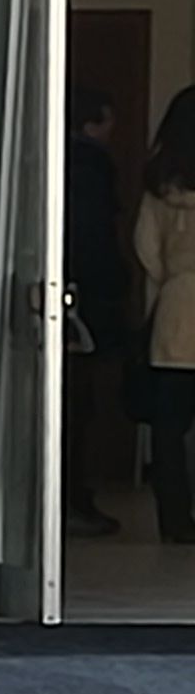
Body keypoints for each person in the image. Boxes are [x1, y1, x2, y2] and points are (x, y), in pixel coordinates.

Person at [67, 90, 131, 537]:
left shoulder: (51, 164)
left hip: (66, 294)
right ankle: (74, 496)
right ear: (93, 124)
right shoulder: (91, 170)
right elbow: (95, 241)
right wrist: (115, 284)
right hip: (85, 301)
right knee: (78, 404)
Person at [132, 88, 195, 540]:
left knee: (169, 425)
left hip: (177, 305)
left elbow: (146, 249)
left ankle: (174, 521)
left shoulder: (159, 185)